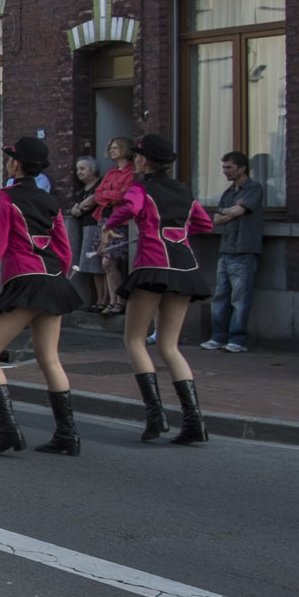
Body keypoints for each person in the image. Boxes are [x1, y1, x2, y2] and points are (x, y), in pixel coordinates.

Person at [0, 137, 85, 456]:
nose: (8, 162)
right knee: (49, 358)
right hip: (54, 280)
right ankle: (68, 434)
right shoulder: (50, 201)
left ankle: (9, 429)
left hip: (25, 282)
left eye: (10, 158)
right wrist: (58, 280)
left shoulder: (6, 199)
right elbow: (64, 251)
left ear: (17, 164)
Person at [102, 133, 215, 445]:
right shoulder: (183, 190)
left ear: (145, 160)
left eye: (139, 155)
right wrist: (175, 231)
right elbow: (204, 224)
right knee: (169, 346)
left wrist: (108, 226)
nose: (136, 159)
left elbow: (127, 209)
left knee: (134, 340)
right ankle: (194, 421)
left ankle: (156, 415)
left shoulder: (141, 188)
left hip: (152, 265)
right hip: (184, 268)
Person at [203, 150, 264, 353]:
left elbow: (238, 211)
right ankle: (218, 336)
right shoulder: (229, 193)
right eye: (223, 167)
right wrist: (232, 211)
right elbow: (217, 218)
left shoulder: (254, 188)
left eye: (229, 167)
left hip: (245, 250)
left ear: (242, 168)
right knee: (220, 296)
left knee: (240, 298)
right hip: (226, 248)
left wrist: (231, 211)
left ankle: (238, 340)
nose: (225, 171)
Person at [91, 137, 135, 316]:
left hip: (120, 221)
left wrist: (108, 197)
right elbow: (97, 194)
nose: (112, 150)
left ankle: (121, 300)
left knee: (110, 261)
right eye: (110, 147)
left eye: (116, 147)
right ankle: (112, 300)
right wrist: (110, 196)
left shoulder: (130, 172)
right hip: (104, 219)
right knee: (106, 264)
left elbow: (123, 196)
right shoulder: (111, 172)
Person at [64, 156, 110, 312]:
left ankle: (103, 300)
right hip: (86, 226)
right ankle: (98, 299)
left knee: (98, 265)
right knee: (92, 266)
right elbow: (76, 209)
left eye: (83, 168)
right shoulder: (81, 191)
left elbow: (92, 202)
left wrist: (81, 207)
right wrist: (79, 208)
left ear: (93, 169)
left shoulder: (99, 184)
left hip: (97, 226)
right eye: (77, 169)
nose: (79, 172)